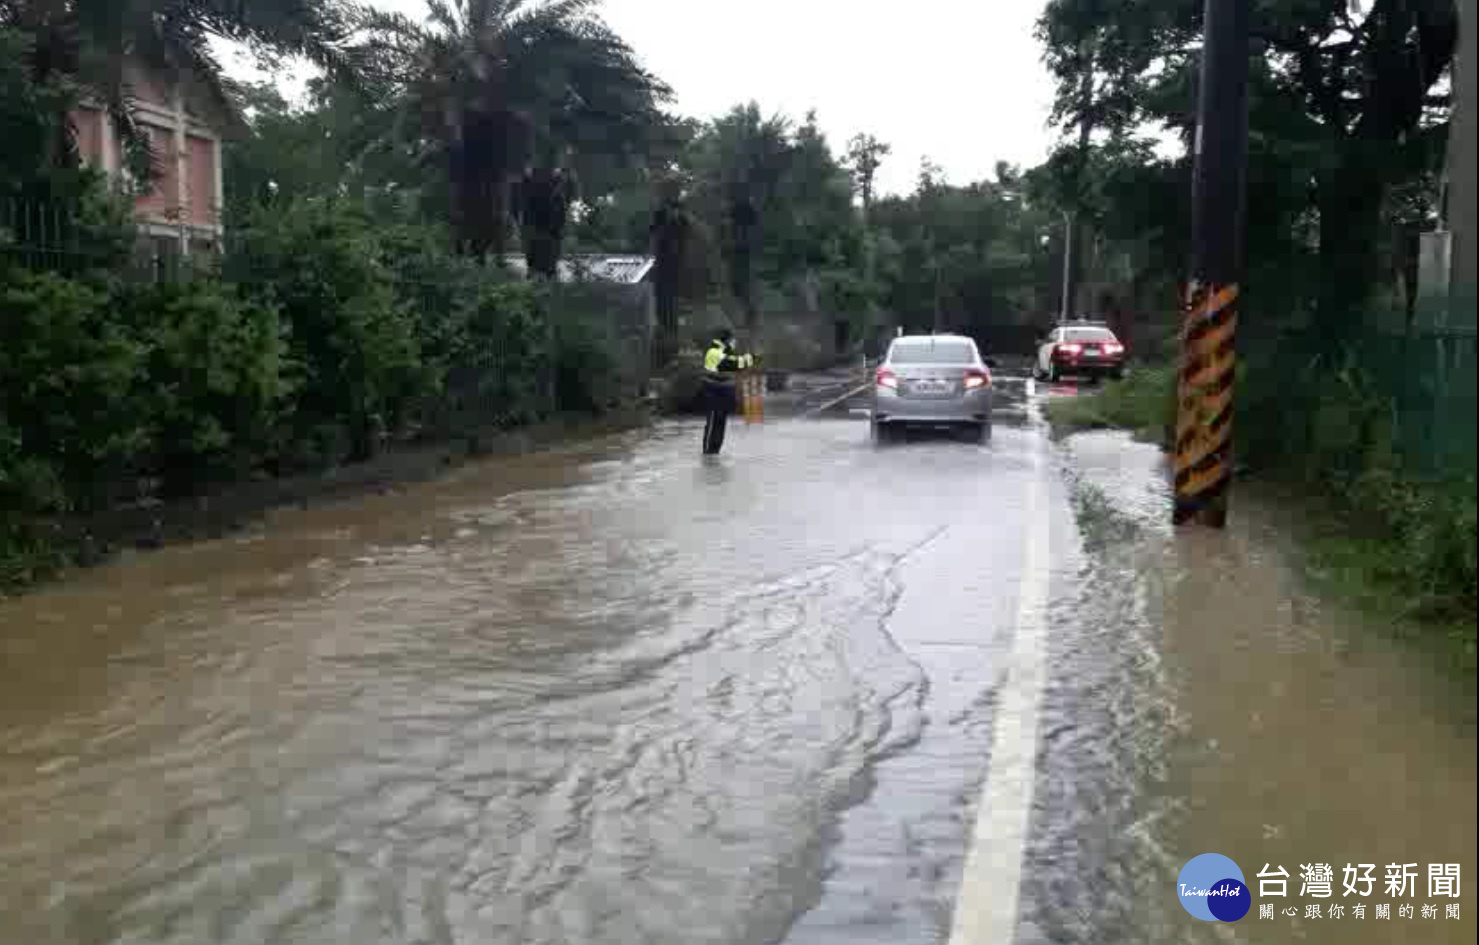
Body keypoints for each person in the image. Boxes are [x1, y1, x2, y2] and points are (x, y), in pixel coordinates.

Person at [701, 328, 753, 455]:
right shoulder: (713, 352)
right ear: (726, 341)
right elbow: (733, 364)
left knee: (720, 423)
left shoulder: (724, 352)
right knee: (713, 422)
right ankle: (708, 454)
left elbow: (736, 364)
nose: (734, 343)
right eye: (732, 340)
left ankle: (714, 453)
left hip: (723, 393)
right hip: (714, 392)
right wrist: (751, 358)